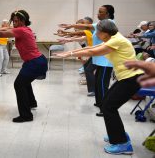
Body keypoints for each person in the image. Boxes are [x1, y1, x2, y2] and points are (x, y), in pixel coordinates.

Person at [55, 20, 144, 155]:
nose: (96, 34)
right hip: (127, 78)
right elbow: (88, 48)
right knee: (106, 103)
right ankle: (118, 134)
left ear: (104, 33)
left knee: (108, 107)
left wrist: (69, 54)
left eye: (98, 32)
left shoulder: (116, 41)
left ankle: (122, 143)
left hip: (131, 79)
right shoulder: (113, 38)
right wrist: (72, 52)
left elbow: (94, 51)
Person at [0, 10, 48, 123]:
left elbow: (1, 33)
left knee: (19, 84)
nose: (14, 23)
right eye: (13, 21)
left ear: (23, 21)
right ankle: (31, 103)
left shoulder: (22, 30)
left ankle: (26, 116)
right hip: (34, 62)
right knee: (24, 82)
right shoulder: (24, 29)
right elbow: (4, 29)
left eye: (16, 21)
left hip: (35, 62)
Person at [59, 5, 115, 117]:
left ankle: (105, 109)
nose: (98, 14)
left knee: (102, 84)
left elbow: (87, 27)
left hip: (105, 60)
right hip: (99, 59)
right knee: (98, 83)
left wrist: (71, 27)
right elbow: (87, 29)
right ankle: (99, 103)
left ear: (108, 14)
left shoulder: (108, 23)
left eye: (101, 12)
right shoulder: (102, 23)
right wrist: (71, 28)